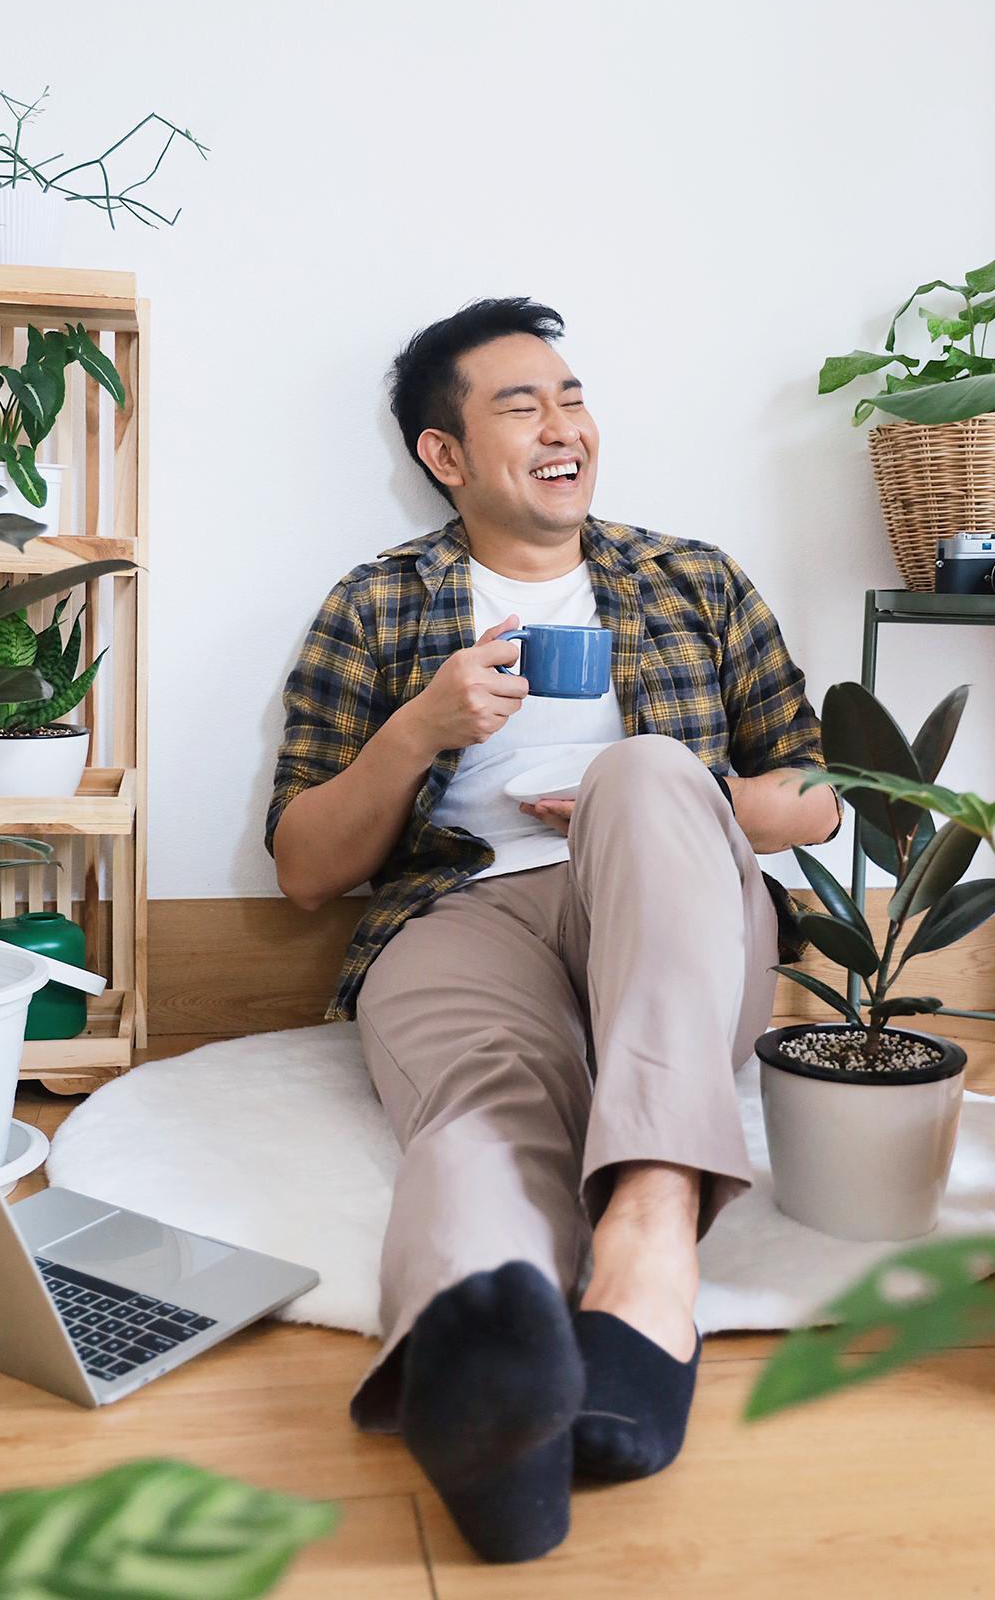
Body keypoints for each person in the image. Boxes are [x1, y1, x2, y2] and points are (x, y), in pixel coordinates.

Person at [266, 299, 841, 1564]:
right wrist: (420, 729)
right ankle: (483, 1370)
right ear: (446, 456)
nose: (562, 424)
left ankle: (648, 1232)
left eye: (571, 396)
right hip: (462, 910)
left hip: (671, 890)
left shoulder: (693, 578)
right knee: (481, 1099)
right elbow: (307, 869)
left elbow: (813, 794)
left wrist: (674, 791)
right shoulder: (379, 605)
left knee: (644, 772)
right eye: (519, 404)